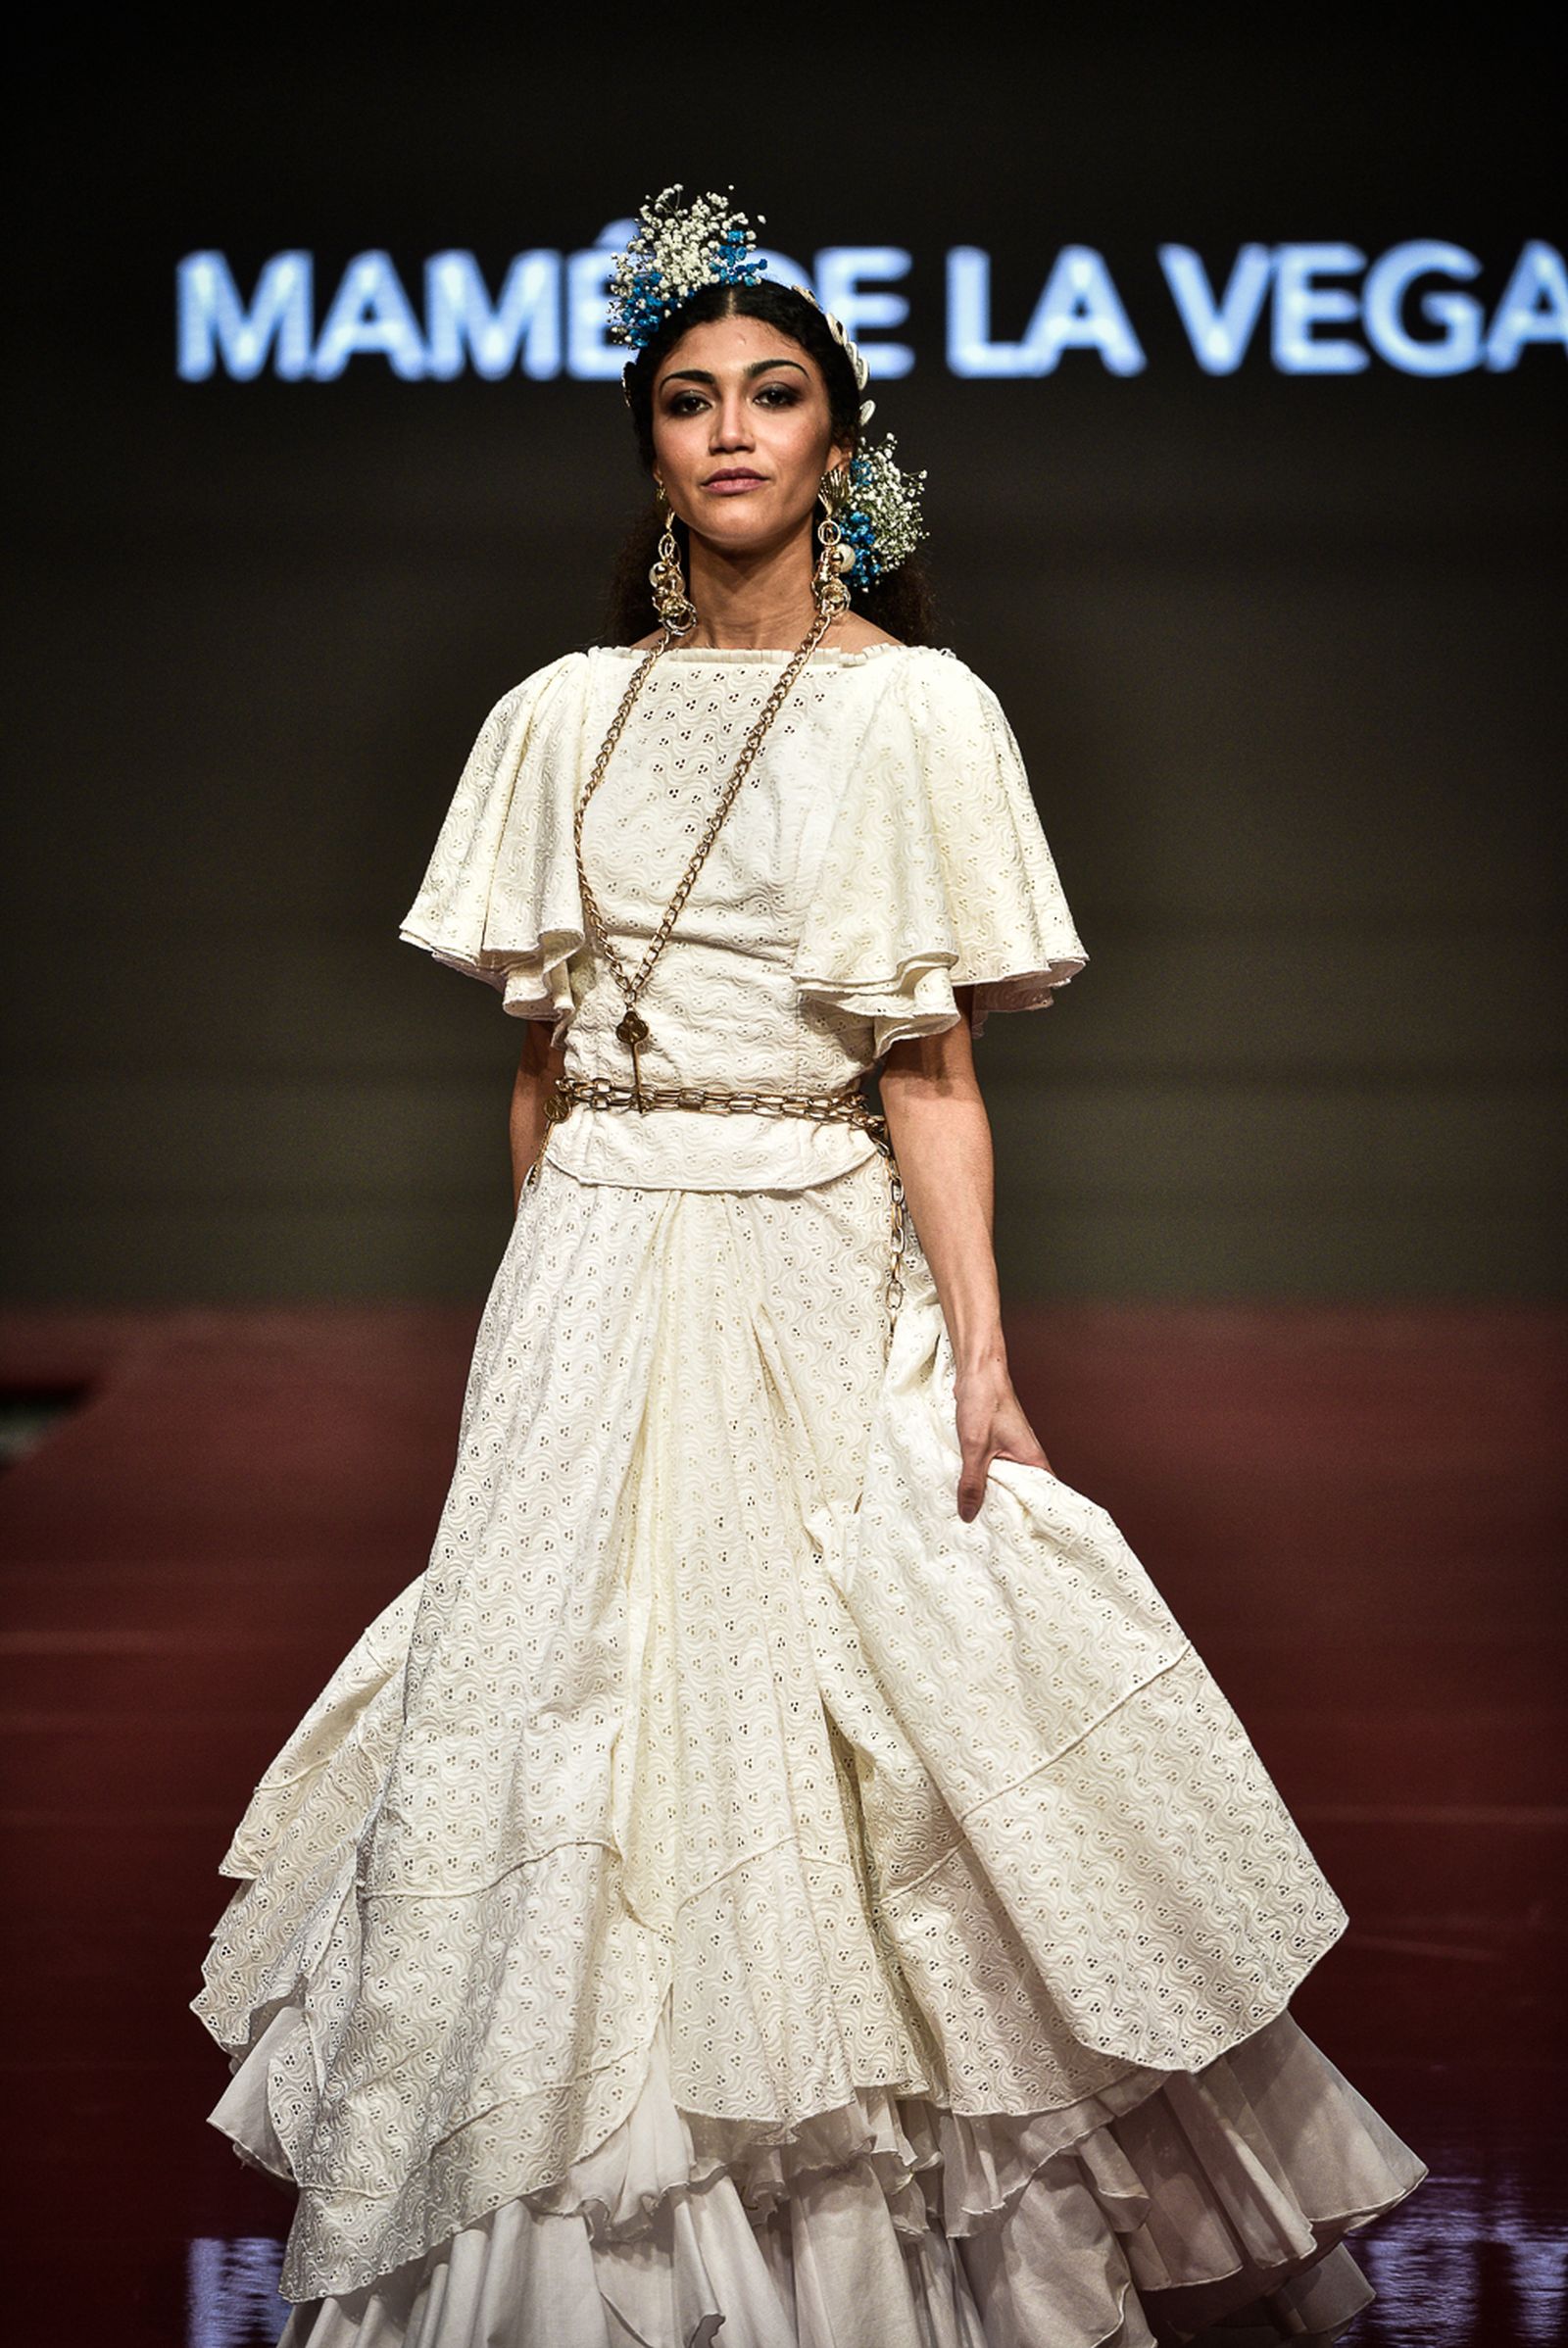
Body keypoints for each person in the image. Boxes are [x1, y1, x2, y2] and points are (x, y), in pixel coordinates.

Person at [194, 187, 1424, 2347]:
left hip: (804, 1247)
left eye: (773, 396)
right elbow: (537, 1069)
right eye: (690, 401)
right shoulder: (556, 714)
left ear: (839, 440)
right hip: (596, 1269)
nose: (732, 432)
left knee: (864, 1711)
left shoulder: (916, 713)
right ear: (650, 445)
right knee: (552, 1726)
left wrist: (981, 1355)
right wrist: (536, 1317)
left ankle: (857, 2250)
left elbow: (930, 1071)